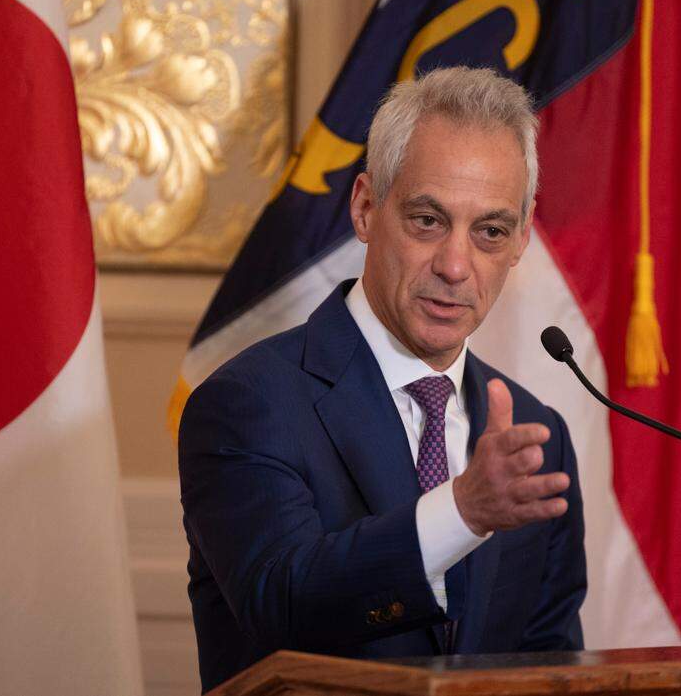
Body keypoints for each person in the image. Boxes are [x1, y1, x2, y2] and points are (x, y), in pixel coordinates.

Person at [179, 66, 585, 692]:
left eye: (490, 232)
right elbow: (281, 607)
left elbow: (552, 668)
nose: (455, 266)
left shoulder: (538, 439)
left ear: (521, 240)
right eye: (428, 220)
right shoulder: (248, 403)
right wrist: (462, 511)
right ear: (367, 209)